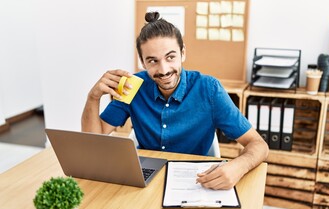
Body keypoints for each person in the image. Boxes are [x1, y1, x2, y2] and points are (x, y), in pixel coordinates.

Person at [81, 11, 268, 190]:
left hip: (196, 181)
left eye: (170, 57)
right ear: (142, 62)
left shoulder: (209, 89)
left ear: (183, 53)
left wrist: (238, 166)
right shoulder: (134, 86)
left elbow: (259, 145)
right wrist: (93, 97)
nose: (163, 70)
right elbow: (92, 143)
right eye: (152, 61)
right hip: (146, 179)